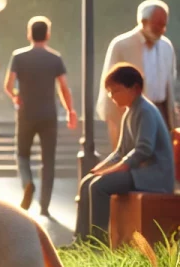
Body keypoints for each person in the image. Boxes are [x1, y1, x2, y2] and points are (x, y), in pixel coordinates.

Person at [75, 63, 175, 243]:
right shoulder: (130, 112)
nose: (112, 96)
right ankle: (80, 240)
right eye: (109, 92)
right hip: (139, 173)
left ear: (135, 88)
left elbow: (144, 149)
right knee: (87, 182)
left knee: (99, 186)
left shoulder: (145, 111)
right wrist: (99, 168)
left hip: (153, 176)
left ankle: (97, 242)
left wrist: (119, 168)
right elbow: (120, 151)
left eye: (116, 91)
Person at [5, 16, 77, 216]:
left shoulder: (18, 57)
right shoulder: (55, 58)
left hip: (26, 114)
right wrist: (70, 110)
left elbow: (8, 85)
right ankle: (45, 205)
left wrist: (16, 97)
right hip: (49, 115)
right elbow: (63, 87)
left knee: (22, 155)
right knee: (48, 160)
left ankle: (27, 182)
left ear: (29, 34)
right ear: (47, 34)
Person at [97, 0, 176, 150]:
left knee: (160, 159)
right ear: (144, 21)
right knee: (136, 159)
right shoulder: (122, 45)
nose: (162, 29)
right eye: (158, 23)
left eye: (164, 24)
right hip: (132, 112)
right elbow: (109, 84)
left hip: (161, 112)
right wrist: (113, 120)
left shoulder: (167, 46)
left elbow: (170, 85)